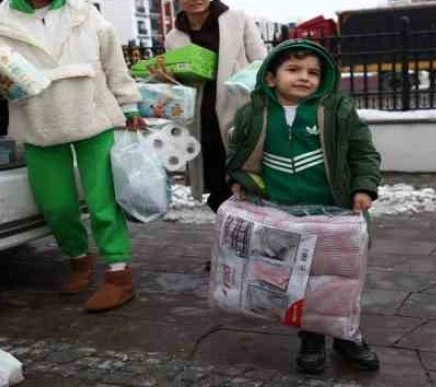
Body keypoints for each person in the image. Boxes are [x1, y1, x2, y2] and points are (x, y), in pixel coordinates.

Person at [0, 0, 143, 312]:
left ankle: (119, 275)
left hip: (92, 112)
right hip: (36, 118)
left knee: (102, 200)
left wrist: (129, 103)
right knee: (55, 204)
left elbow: (112, 61)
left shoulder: (84, 12)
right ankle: (78, 259)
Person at [226, 39, 382, 374]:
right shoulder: (255, 113)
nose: (304, 77)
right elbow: (238, 153)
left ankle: (347, 337)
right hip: (282, 214)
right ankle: (311, 339)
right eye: (293, 70)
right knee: (300, 280)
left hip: (335, 212)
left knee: (341, 278)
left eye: (313, 72)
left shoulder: (336, 110)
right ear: (271, 77)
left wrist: (363, 187)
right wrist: (241, 180)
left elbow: (362, 152)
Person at [163, 0, 267, 212]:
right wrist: (167, 78)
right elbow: (180, 85)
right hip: (202, 122)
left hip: (238, 113)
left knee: (247, 181)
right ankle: (229, 233)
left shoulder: (238, 19)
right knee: (217, 188)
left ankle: (250, 235)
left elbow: (263, 64)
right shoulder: (174, 37)